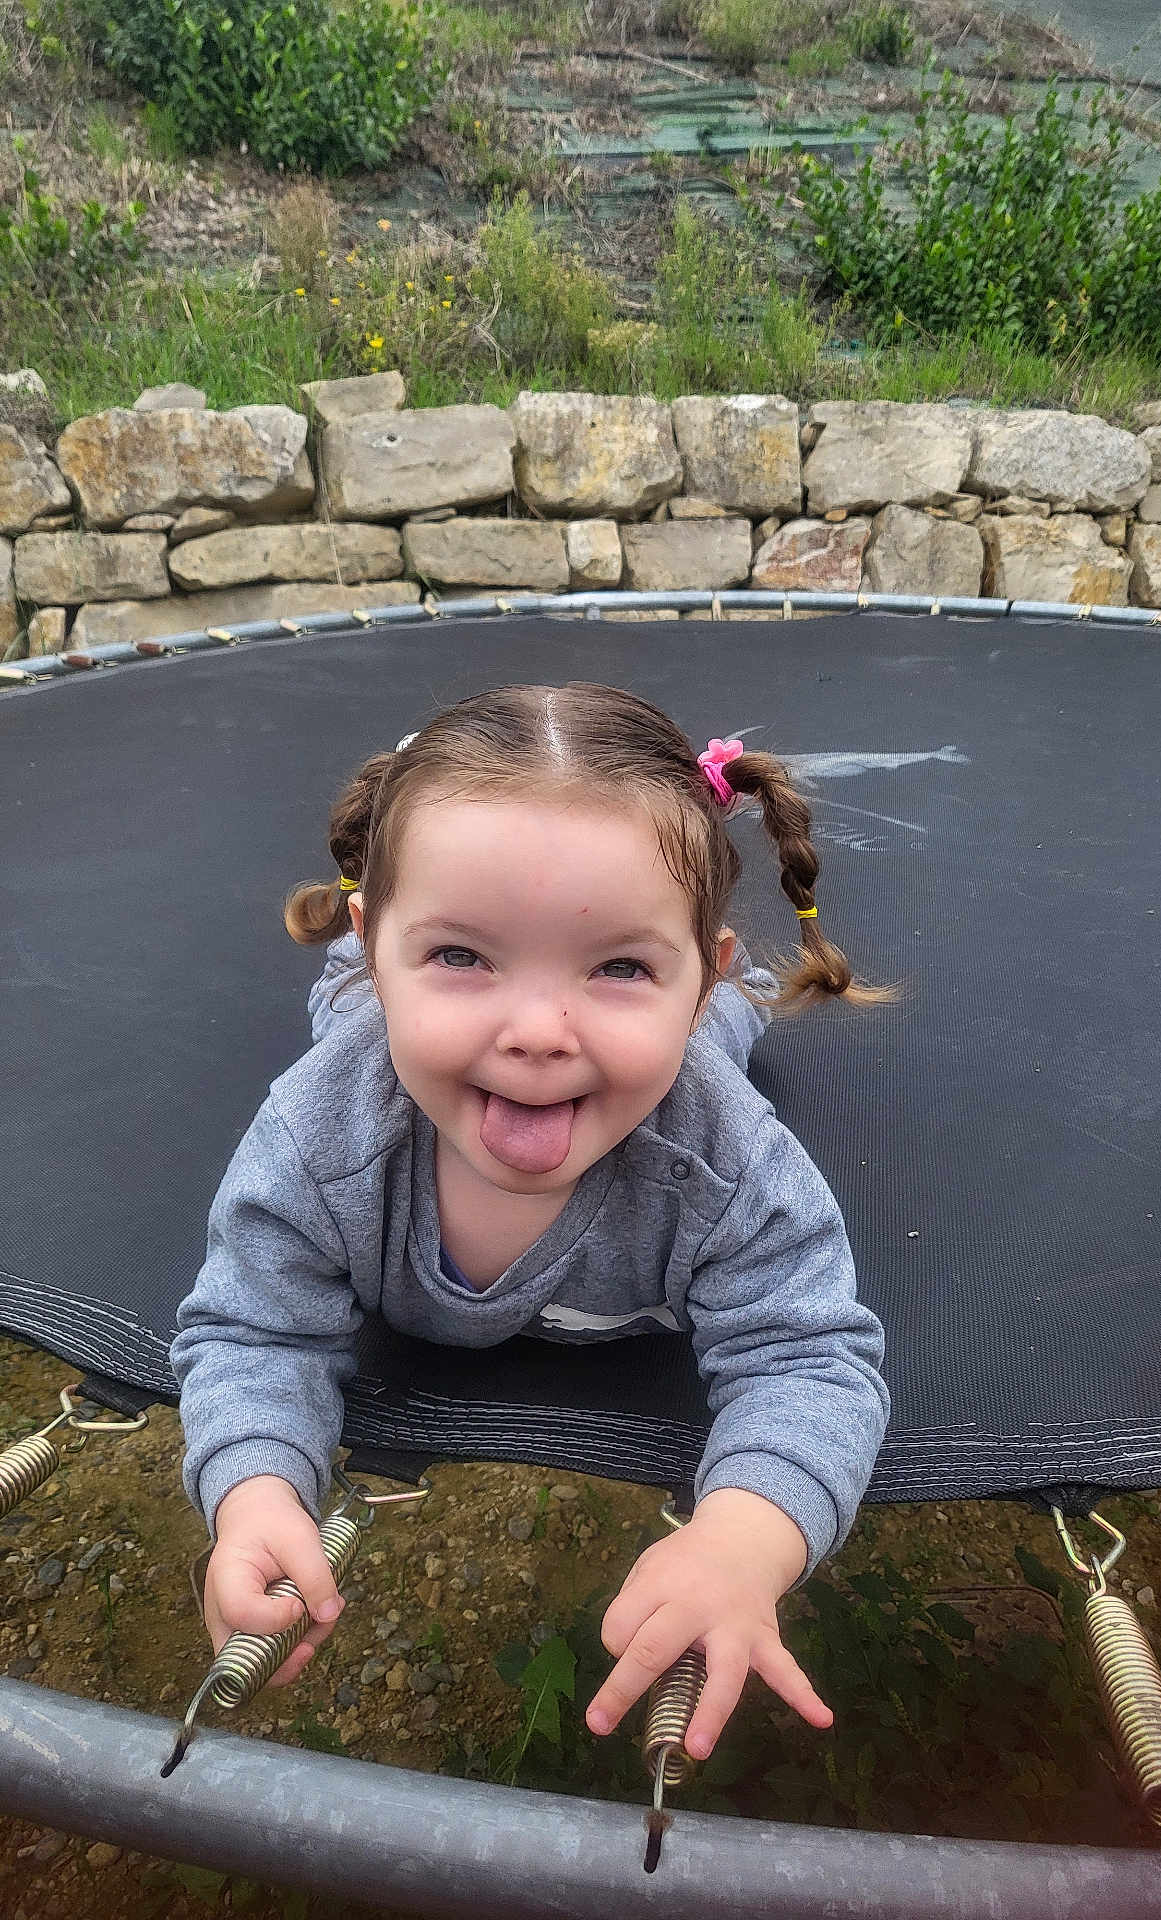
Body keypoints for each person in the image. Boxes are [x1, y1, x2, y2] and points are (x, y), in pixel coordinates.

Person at [172, 681, 891, 1763]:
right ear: (384, 945)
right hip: (376, 1017)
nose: (540, 1032)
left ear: (694, 975)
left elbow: (813, 1356)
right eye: (461, 953)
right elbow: (253, 1330)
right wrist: (255, 1487)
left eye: (621, 966)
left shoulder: (726, 1162)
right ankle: (365, 974)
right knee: (345, 1025)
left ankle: (712, 1003)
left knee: (712, 1053)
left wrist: (748, 1536)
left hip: (681, 1052)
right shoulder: (321, 1137)